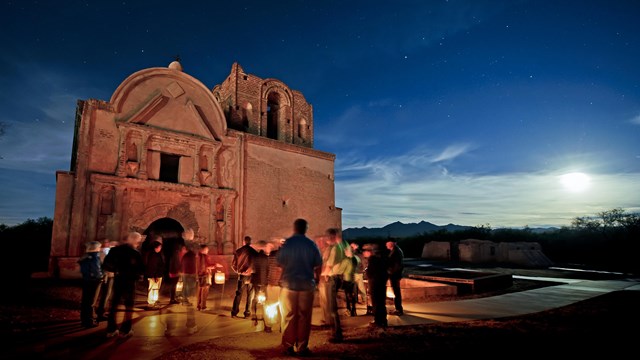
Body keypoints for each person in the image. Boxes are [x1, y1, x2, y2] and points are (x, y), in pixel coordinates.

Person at [276, 219, 323, 357]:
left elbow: (280, 264)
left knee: (288, 315)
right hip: (306, 285)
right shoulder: (311, 245)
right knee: (304, 317)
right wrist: (317, 280)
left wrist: (280, 279)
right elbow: (318, 264)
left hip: (289, 285)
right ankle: (302, 346)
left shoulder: (287, 244)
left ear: (294, 228)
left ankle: (288, 346)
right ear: (305, 229)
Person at [102, 232, 144, 338]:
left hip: (118, 278)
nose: (138, 244)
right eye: (138, 241)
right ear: (135, 241)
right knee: (129, 306)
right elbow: (140, 269)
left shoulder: (115, 250)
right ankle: (125, 330)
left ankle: (111, 329)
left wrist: (115, 270)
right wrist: (138, 275)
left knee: (114, 304)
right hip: (130, 281)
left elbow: (106, 264)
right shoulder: (135, 253)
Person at [319, 228, 350, 343]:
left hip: (332, 278)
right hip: (336, 278)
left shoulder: (334, 248)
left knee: (332, 308)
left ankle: (337, 334)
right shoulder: (339, 247)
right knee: (332, 307)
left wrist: (323, 275)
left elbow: (329, 265)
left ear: (330, 237)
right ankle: (335, 331)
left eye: (327, 237)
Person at [78, 241, 103, 328]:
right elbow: (96, 270)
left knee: (85, 300)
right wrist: (101, 277)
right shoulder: (95, 257)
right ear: (95, 248)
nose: (100, 249)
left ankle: (84, 319)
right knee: (91, 301)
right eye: (99, 247)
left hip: (86, 280)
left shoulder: (85, 257)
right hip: (94, 281)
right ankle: (89, 321)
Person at [231, 236, 257, 318]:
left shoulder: (238, 251)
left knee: (238, 293)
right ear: (250, 242)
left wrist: (238, 271)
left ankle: (234, 312)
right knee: (250, 295)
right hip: (251, 276)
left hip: (242, 276)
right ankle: (247, 313)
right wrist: (252, 270)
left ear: (243, 242)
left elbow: (233, 265)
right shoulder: (254, 252)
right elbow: (256, 264)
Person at [364, 242, 389, 328]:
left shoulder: (373, 259)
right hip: (381, 283)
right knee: (381, 302)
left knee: (376, 302)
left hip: (375, 284)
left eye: (366, 250)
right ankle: (383, 320)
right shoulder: (383, 258)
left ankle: (378, 321)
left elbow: (370, 273)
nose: (364, 252)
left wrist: (367, 273)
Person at [250, 241, 270, 328]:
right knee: (264, 298)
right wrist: (263, 282)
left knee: (255, 297)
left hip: (255, 280)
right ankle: (264, 315)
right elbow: (265, 271)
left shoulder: (254, 257)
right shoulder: (266, 258)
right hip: (263, 281)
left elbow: (252, 269)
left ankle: (254, 314)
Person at [196, 244, 218, 311]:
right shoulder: (204, 256)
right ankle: (203, 306)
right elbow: (206, 266)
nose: (208, 250)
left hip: (199, 275)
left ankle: (198, 306)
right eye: (207, 249)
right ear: (203, 249)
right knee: (204, 291)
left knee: (199, 291)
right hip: (205, 275)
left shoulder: (197, 256)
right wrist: (215, 265)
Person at [144, 239, 164, 309]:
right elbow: (152, 266)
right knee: (152, 289)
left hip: (157, 275)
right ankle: (151, 303)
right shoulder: (153, 255)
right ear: (156, 247)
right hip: (154, 275)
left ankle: (154, 302)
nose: (160, 248)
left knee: (155, 289)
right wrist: (154, 276)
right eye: (159, 247)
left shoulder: (157, 254)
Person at [386, 239, 404, 316]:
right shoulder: (395, 251)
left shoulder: (396, 252)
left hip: (395, 275)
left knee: (396, 292)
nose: (386, 245)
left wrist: (390, 272)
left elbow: (397, 264)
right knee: (396, 292)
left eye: (388, 243)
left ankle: (399, 309)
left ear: (392, 243)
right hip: (395, 274)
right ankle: (398, 308)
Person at [350, 242, 368, 309]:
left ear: (356, 246)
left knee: (360, 287)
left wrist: (362, 270)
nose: (351, 247)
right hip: (356, 272)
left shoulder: (357, 254)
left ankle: (362, 300)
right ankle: (358, 300)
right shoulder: (357, 253)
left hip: (357, 272)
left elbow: (362, 263)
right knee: (358, 287)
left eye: (352, 246)